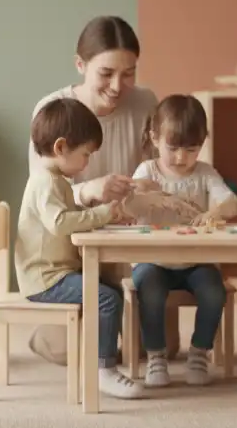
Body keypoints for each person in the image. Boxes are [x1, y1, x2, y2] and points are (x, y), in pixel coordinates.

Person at [27, 15, 171, 365]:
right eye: (106, 73)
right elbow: (41, 198)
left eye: (129, 72)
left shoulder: (145, 102)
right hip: (73, 250)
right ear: (81, 65)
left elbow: (162, 172)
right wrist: (87, 190)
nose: (118, 85)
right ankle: (54, 331)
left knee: (157, 350)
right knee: (70, 353)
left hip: (130, 238)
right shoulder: (52, 111)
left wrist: (145, 183)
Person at [15, 97, 143, 399]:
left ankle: (112, 354)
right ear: (61, 148)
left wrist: (103, 217)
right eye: (85, 155)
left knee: (113, 283)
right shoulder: (45, 182)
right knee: (107, 299)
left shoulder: (55, 180)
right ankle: (104, 370)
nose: (88, 163)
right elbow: (61, 223)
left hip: (56, 271)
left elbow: (70, 220)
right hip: (45, 278)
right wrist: (105, 213)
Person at [129, 94, 237, 387]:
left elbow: (231, 203)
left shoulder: (205, 173)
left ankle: (199, 353)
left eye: (192, 149)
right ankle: (155, 356)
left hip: (196, 260)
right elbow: (129, 206)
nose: (181, 158)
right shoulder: (147, 172)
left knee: (215, 292)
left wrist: (215, 211)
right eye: (173, 148)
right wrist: (148, 196)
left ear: (203, 143)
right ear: (154, 138)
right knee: (148, 290)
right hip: (153, 260)